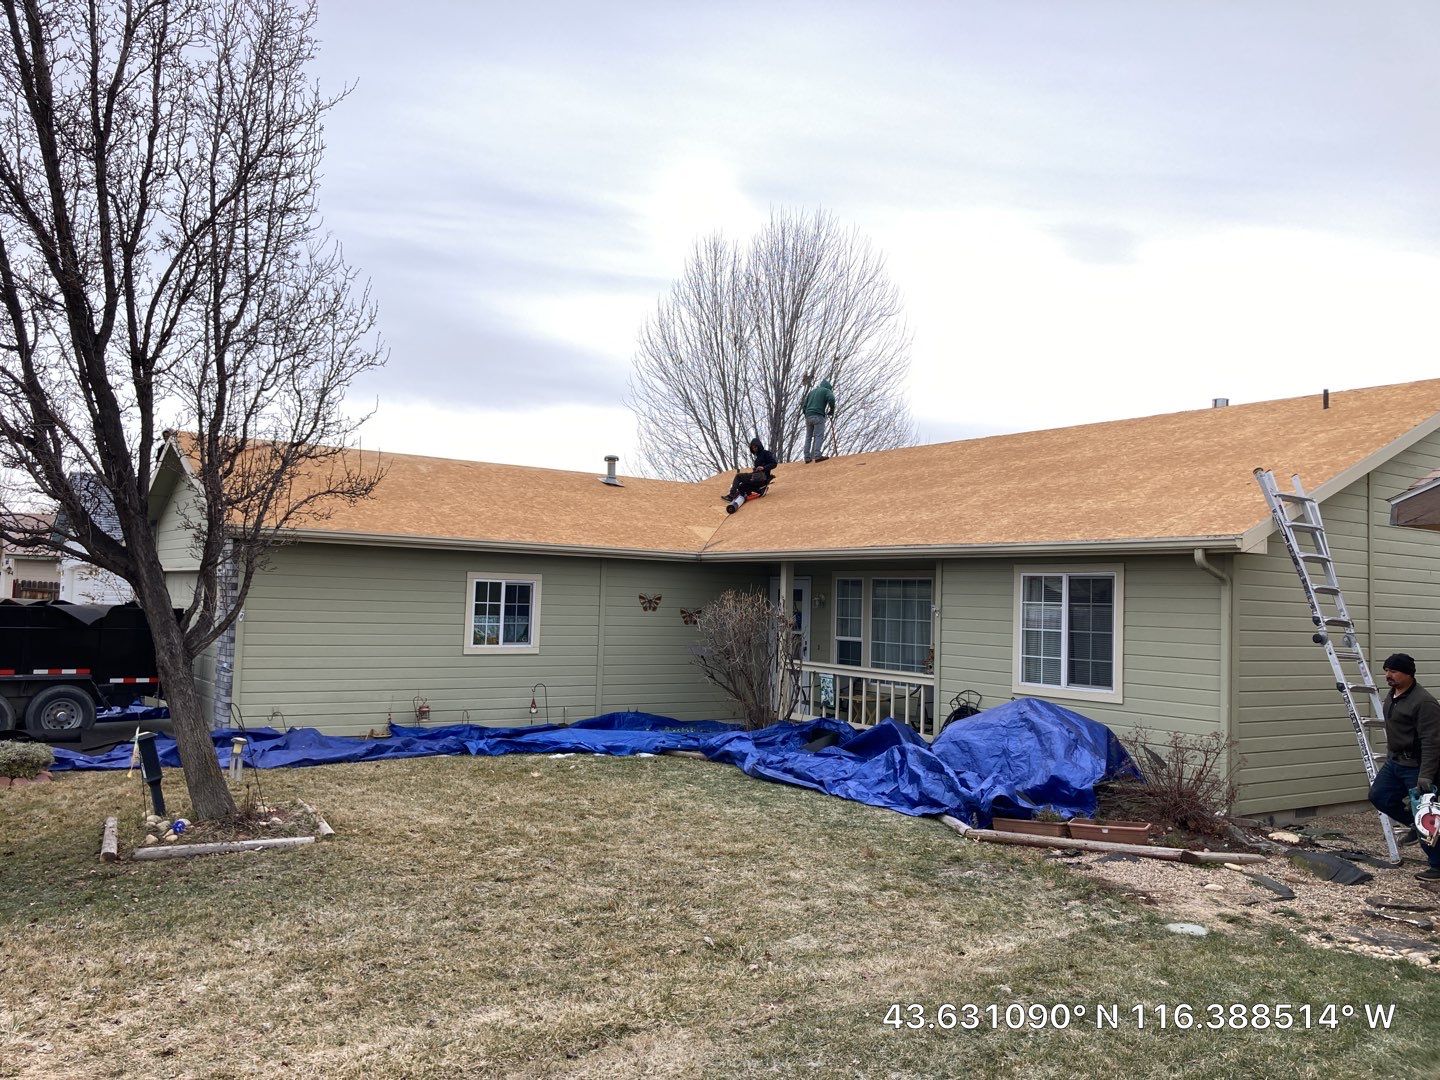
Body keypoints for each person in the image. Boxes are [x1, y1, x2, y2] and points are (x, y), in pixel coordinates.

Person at [1368, 652, 1440, 880]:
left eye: (1394, 671)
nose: (1388, 675)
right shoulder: (1393, 695)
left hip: (1417, 766)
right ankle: (1412, 822)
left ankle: (1437, 866)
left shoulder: (1424, 702)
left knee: (1427, 815)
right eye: (1386, 670)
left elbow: (1432, 741)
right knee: (1379, 795)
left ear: (1408, 674)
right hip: (1396, 762)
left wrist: (1426, 775)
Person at [723, 437, 778, 501]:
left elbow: (774, 463)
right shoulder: (757, 457)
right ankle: (759, 491)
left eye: (755, 447)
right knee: (741, 486)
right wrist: (755, 469)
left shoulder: (765, 453)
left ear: (759, 445)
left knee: (738, 476)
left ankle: (731, 496)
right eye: (753, 448)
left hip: (761, 478)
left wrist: (763, 468)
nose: (754, 449)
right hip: (757, 479)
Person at [801, 376, 836, 463]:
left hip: (808, 416)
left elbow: (804, 406)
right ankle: (817, 455)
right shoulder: (826, 391)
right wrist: (831, 410)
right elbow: (832, 398)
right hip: (818, 416)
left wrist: (807, 414)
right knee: (818, 435)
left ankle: (807, 457)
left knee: (808, 437)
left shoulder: (811, 392)